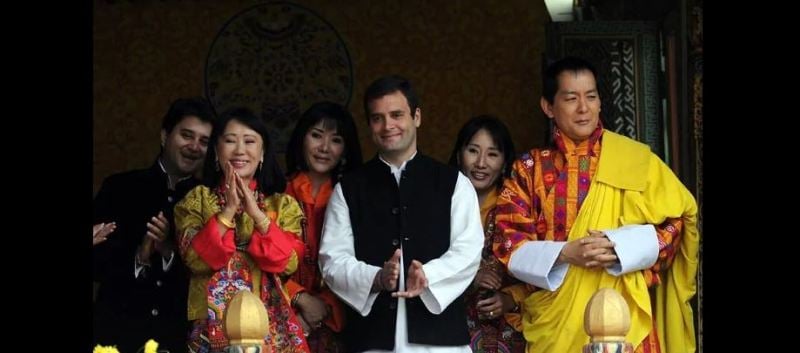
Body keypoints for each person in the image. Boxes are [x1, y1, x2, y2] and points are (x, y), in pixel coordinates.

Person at [492, 57, 699, 353]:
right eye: (571, 98)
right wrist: (565, 253)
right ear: (548, 107)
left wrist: (620, 247)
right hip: (556, 323)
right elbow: (508, 244)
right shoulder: (529, 169)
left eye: (591, 96)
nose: (583, 108)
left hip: (626, 319)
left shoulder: (636, 161)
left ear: (600, 102)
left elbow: (676, 224)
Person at [318, 75, 484, 353]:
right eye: (377, 118)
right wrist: (376, 278)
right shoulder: (349, 188)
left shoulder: (453, 183)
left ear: (416, 116)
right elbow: (333, 259)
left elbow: (468, 250)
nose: (388, 126)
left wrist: (429, 274)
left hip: (441, 343)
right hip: (371, 341)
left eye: (396, 115)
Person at [174, 107, 310, 353]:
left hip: (270, 328)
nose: (239, 150)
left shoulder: (282, 205)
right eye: (229, 141)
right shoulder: (196, 201)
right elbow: (194, 259)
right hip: (210, 327)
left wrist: (257, 215)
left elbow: (288, 262)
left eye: (249, 141)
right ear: (216, 151)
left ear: (262, 153)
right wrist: (228, 211)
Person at [93, 97, 214, 353]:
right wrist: (140, 256)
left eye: (204, 141)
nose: (194, 146)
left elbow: (212, 279)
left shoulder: (209, 201)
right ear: (164, 136)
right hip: (117, 336)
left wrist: (170, 252)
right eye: (187, 135)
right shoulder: (119, 187)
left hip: (178, 339)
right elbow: (95, 264)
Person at [284, 101, 363, 353]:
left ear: (346, 149)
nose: (324, 148)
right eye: (316, 136)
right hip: (277, 315)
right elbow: (257, 258)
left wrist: (323, 306)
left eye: (336, 140)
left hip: (334, 324)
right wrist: (299, 298)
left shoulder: (355, 200)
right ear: (301, 139)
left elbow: (360, 265)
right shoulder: (275, 193)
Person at [447, 115, 525, 353]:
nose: (481, 163)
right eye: (473, 151)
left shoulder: (519, 208)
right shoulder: (439, 206)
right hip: (452, 329)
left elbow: (542, 266)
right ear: (460, 155)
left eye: (492, 154)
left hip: (509, 331)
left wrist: (511, 298)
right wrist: (471, 275)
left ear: (504, 162)